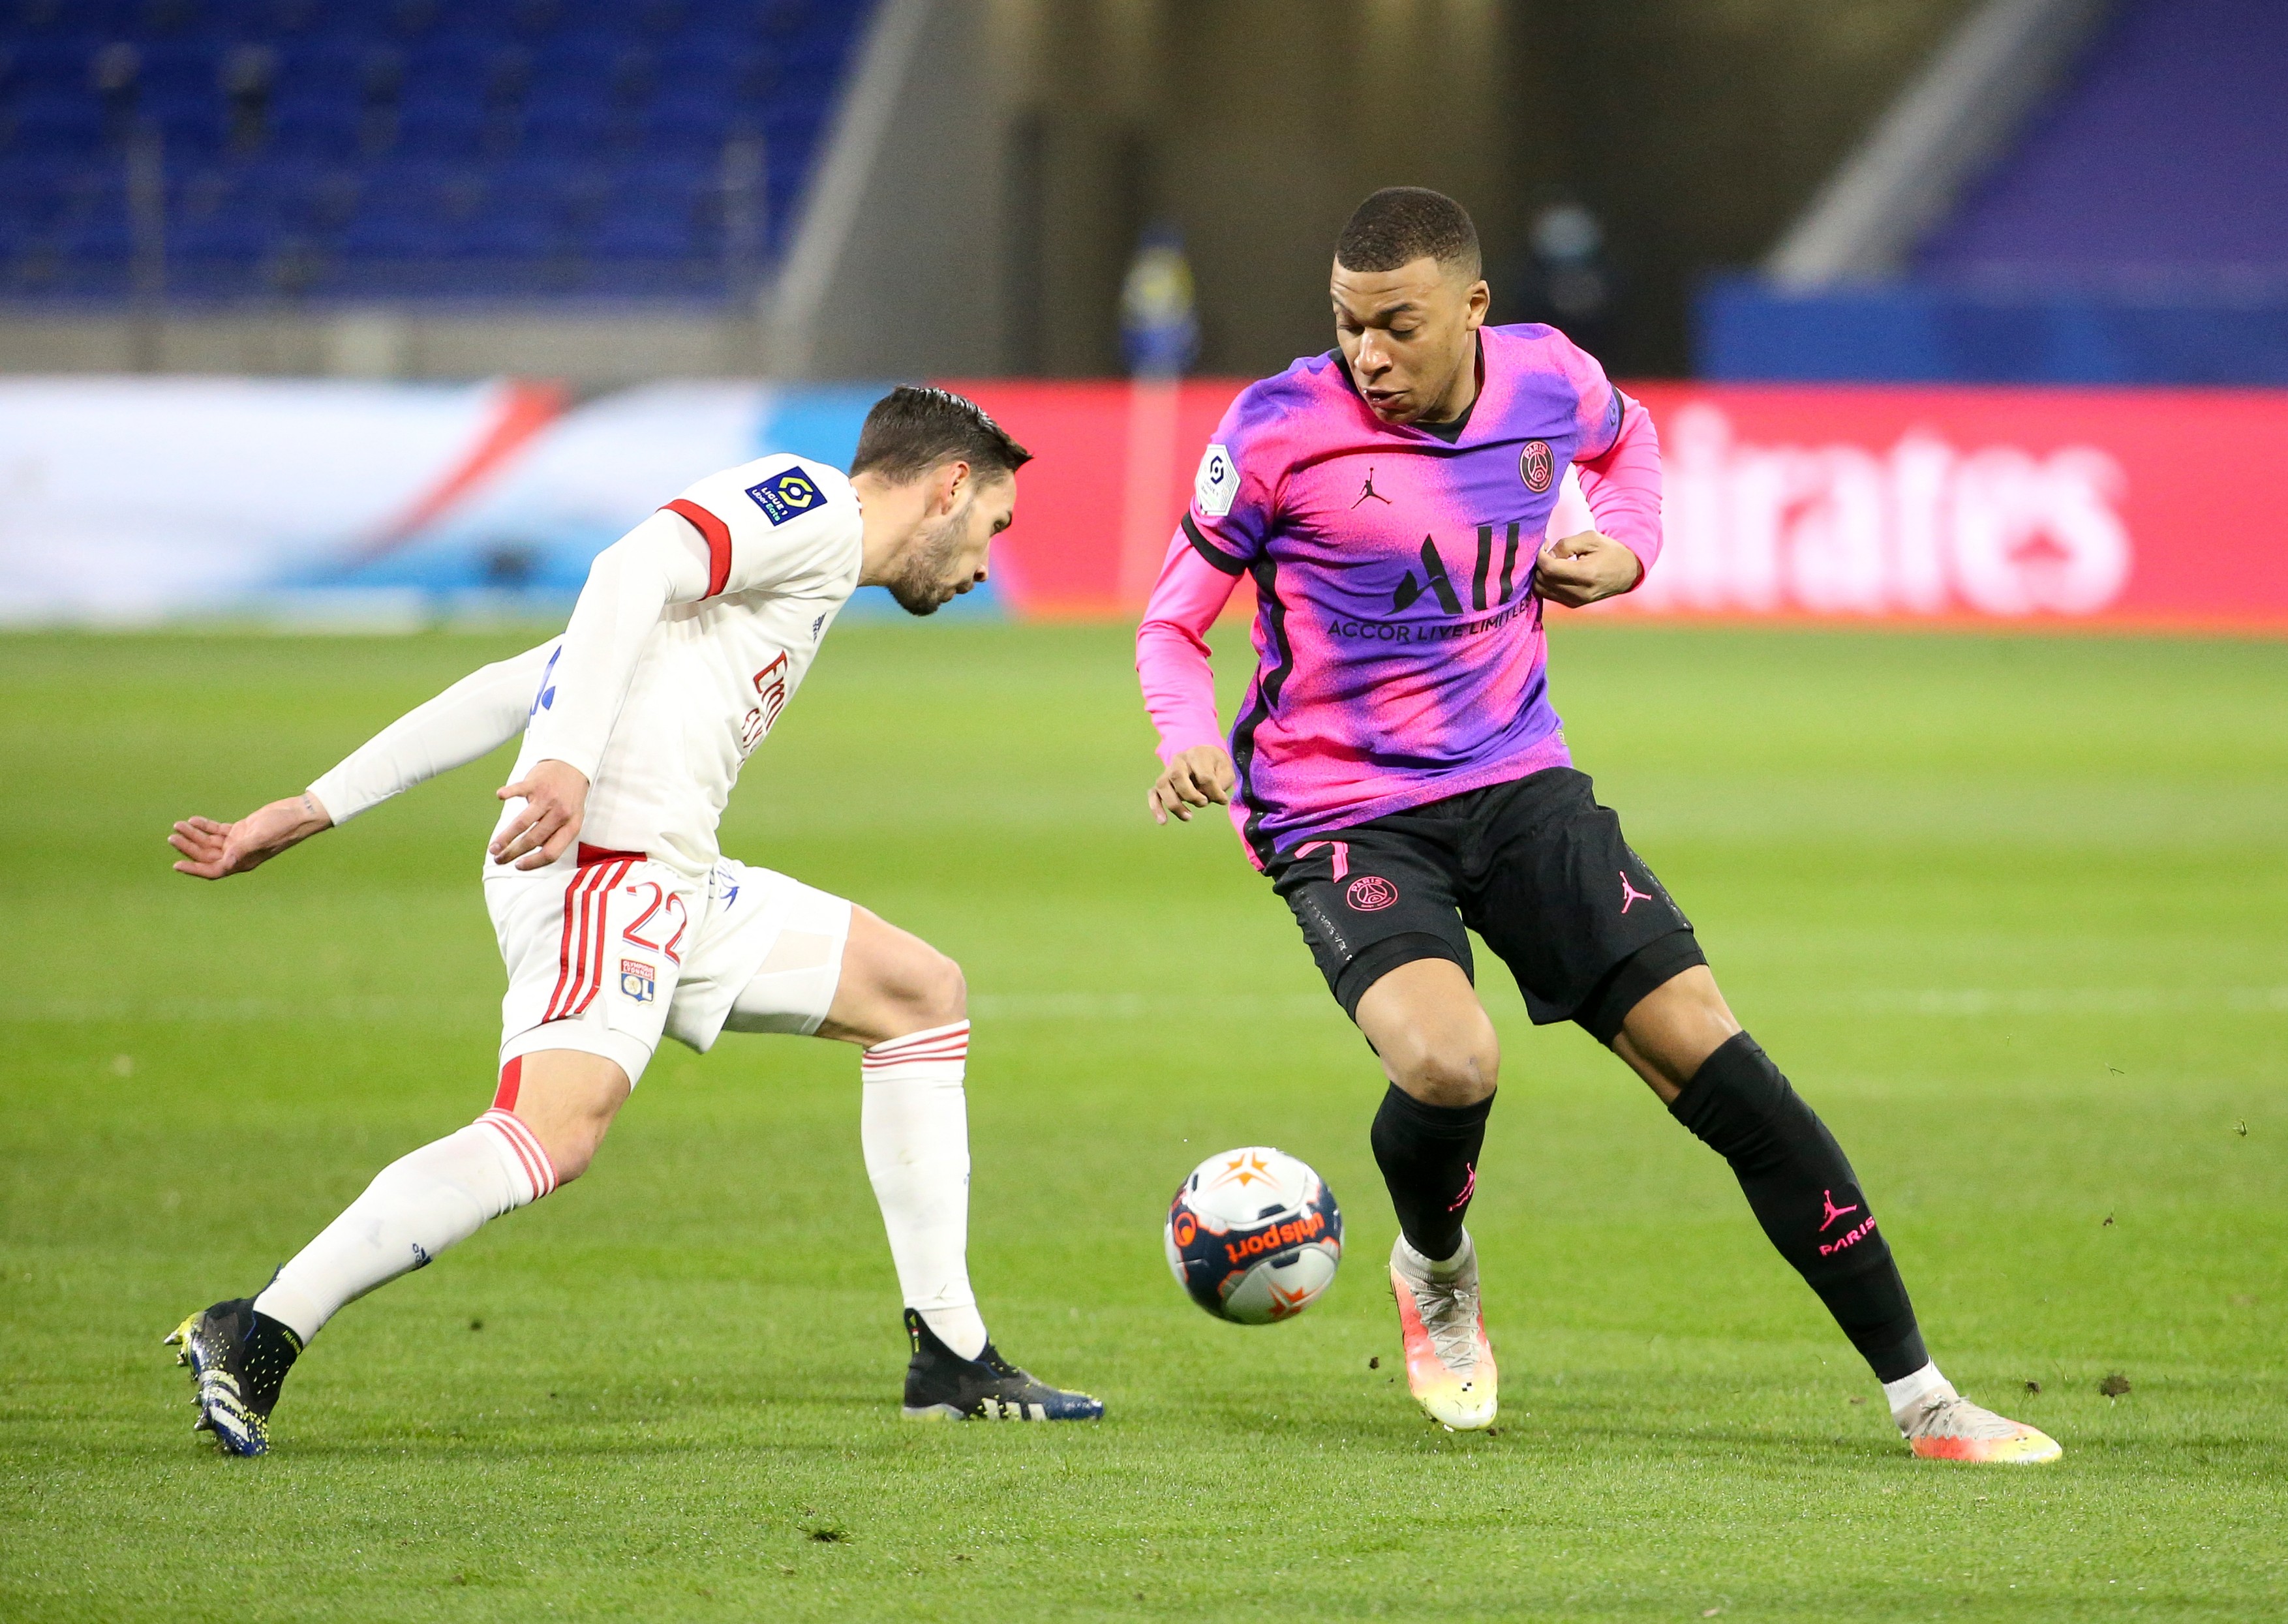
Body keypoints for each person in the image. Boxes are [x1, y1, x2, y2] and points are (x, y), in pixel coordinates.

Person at [1135, 188, 2056, 1462]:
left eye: (1394, 325)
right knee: (1451, 1065)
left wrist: (1623, 552)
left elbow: (1630, 450)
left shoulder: (1548, 382)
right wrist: (1183, 735)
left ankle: (1923, 1399)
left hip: (1517, 779)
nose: (1367, 356)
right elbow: (1170, 623)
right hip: (1338, 806)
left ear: (1471, 308)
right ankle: (1435, 1272)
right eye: (1346, 325)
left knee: (1716, 1057)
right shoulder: (1279, 426)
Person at [166, 385, 1101, 1455]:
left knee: (920, 995)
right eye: (994, 523)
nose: (986, 560)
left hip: (676, 876)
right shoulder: (801, 504)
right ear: (948, 488)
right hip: (603, 866)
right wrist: (564, 758)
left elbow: (529, 673)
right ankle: (260, 1327)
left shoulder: (811, 568)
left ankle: (951, 1354)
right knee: (552, 1132)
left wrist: (314, 803)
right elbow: (624, 566)